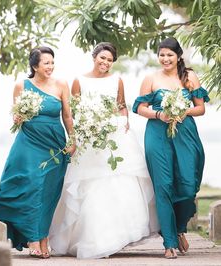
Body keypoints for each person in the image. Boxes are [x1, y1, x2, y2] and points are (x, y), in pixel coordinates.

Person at [49, 42, 159, 259]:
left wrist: (124, 120)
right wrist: (86, 128)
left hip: (115, 136)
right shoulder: (79, 81)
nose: (105, 63)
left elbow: (121, 104)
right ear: (94, 57)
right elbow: (75, 110)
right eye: (103, 58)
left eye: (109, 60)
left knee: (119, 183)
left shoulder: (116, 80)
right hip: (90, 138)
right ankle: (91, 239)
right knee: (90, 186)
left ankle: (116, 237)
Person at [0, 46, 75, 258]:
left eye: (52, 62)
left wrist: (72, 140)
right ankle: (33, 238)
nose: (50, 66)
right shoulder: (21, 85)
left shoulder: (61, 84)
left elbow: (67, 116)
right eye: (46, 63)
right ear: (35, 65)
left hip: (54, 144)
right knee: (32, 185)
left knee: (49, 192)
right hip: (29, 144)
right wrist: (17, 118)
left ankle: (43, 239)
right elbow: (16, 117)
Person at [132, 37, 210, 259]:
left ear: (178, 57)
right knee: (163, 187)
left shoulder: (190, 76)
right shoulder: (150, 79)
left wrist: (182, 111)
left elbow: (201, 108)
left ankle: (179, 227)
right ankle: (169, 243)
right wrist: (160, 114)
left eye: (169, 55)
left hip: (185, 134)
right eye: (162, 55)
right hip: (157, 135)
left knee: (187, 186)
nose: (165, 59)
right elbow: (139, 108)